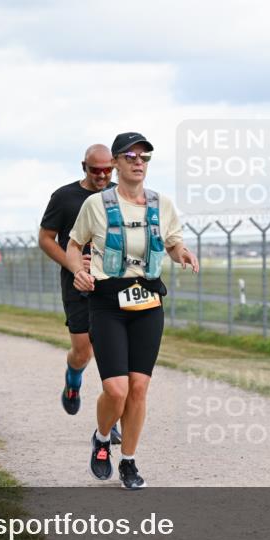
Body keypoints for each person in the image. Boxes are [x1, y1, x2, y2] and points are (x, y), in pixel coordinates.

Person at [67, 133, 199, 489]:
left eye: (145, 157)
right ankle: (101, 437)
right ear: (115, 164)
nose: (138, 162)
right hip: (108, 302)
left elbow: (171, 242)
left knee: (139, 387)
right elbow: (74, 243)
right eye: (130, 156)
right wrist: (78, 270)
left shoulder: (161, 204)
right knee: (117, 390)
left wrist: (181, 253)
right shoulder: (96, 204)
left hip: (148, 303)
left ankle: (128, 460)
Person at [40, 143, 123, 444]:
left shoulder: (119, 195)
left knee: (112, 354)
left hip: (112, 284)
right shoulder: (64, 198)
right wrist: (74, 265)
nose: (101, 176)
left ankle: (111, 420)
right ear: (83, 167)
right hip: (77, 282)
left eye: (107, 170)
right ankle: (73, 381)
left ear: (114, 166)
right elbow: (46, 239)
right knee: (82, 350)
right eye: (94, 170)